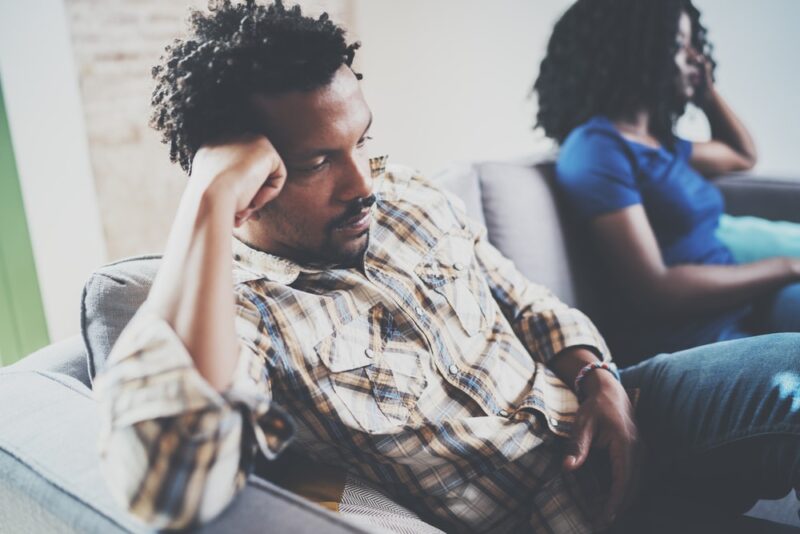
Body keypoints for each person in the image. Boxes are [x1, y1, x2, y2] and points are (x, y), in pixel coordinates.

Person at [95, 1, 800, 532]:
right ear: (247, 186)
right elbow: (167, 481)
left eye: (363, 142)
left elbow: (525, 299)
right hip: (555, 512)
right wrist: (208, 197)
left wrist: (599, 378)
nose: (363, 183)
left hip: (626, 406)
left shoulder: (400, 193)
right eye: (317, 163)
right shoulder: (246, 313)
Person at [534, 0, 800, 364]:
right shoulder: (597, 148)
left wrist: (707, 96)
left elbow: (742, 155)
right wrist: (788, 266)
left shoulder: (660, 143)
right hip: (695, 338)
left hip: (741, 308)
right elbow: (656, 289)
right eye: (679, 44)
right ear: (637, 52)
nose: (696, 57)